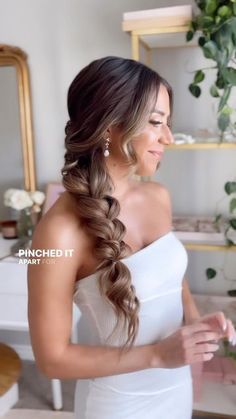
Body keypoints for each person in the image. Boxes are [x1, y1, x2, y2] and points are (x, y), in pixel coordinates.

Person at [27, 56, 236, 419]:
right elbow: (52, 359)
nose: (168, 138)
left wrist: (195, 322)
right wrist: (157, 355)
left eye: (167, 123)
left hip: (176, 387)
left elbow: (174, 281)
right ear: (109, 127)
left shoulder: (157, 196)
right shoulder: (57, 232)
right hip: (119, 405)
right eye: (156, 122)